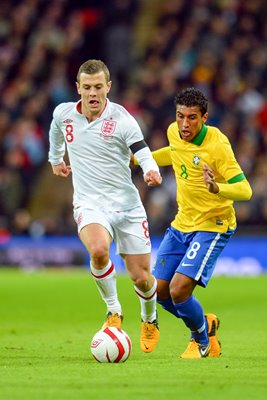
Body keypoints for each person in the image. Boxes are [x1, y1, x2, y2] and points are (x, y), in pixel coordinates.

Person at [48, 59, 162, 353]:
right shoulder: (64, 114)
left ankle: (149, 317)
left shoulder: (122, 119)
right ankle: (114, 311)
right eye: (87, 87)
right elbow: (56, 131)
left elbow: (142, 149)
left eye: (99, 86)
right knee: (98, 250)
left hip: (126, 206)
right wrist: (56, 158)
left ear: (108, 87)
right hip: (89, 203)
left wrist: (151, 169)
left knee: (142, 278)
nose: (93, 93)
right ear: (78, 88)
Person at [150, 87, 252, 358]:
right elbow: (173, 153)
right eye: (180, 116)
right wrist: (140, 159)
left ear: (204, 117)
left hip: (213, 224)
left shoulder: (218, 144)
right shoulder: (174, 131)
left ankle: (201, 340)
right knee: (158, 292)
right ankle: (205, 323)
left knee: (179, 289)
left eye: (192, 118)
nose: (184, 124)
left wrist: (217, 187)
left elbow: (245, 190)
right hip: (182, 222)